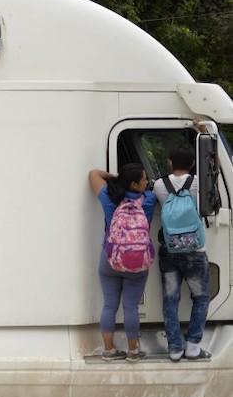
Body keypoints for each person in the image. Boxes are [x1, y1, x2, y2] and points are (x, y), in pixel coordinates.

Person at [89, 164, 157, 362]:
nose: (147, 182)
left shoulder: (109, 196)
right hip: (137, 261)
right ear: (135, 184)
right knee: (130, 306)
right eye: (143, 179)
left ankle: (109, 350)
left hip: (110, 258)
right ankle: (133, 351)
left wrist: (116, 178)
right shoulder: (150, 199)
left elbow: (93, 174)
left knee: (109, 305)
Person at [153, 145, 210, 361]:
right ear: (193, 164)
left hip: (169, 250)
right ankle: (193, 346)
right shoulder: (198, 183)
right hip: (195, 250)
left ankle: (175, 348)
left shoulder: (159, 185)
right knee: (201, 297)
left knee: (170, 299)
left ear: (169, 162)